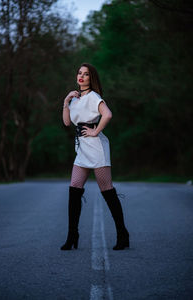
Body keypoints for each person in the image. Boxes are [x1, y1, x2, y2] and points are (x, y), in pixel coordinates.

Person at [61, 62, 129, 250]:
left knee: (107, 190)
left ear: (92, 78)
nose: (81, 76)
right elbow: (67, 122)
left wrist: (95, 131)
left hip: (96, 147)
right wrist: (66, 102)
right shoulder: (74, 99)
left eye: (86, 74)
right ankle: (72, 235)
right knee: (74, 188)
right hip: (82, 149)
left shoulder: (93, 96)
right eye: (79, 73)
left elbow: (107, 114)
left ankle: (123, 234)